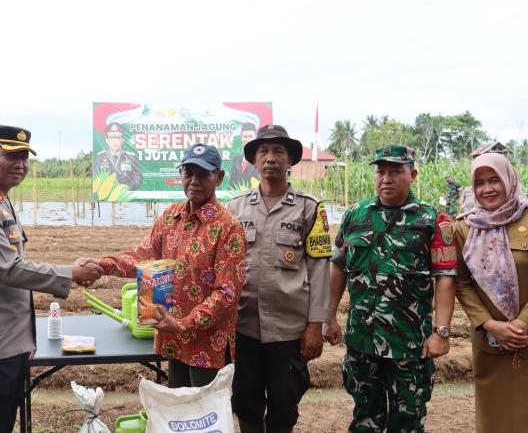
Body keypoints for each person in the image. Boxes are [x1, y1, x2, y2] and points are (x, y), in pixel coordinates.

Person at [0, 125, 103, 433]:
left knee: (2, 423)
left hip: (10, 342)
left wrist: (25, 338)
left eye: (24, 157)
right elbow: (11, 269)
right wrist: (71, 273)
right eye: (11, 155)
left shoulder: (0, 199)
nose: (20, 164)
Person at [324, 144, 457, 432]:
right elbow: (338, 267)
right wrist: (329, 315)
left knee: (407, 421)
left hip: (410, 345)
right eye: (381, 171)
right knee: (364, 418)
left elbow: (445, 277)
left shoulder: (433, 220)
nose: (386, 178)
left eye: (396, 171)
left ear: (413, 174)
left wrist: (442, 333)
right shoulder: (355, 215)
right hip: (362, 340)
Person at [94, 143, 246, 388]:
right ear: (181, 175)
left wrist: (183, 325)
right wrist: (102, 265)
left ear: (218, 178)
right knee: (178, 411)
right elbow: (142, 258)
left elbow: (227, 293)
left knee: (205, 416)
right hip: (174, 340)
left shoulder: (228, 227)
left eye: (203, 174)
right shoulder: (170, 216)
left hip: (208, 345)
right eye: (188, 173)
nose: (194, 180)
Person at [227, 124, 332, 433]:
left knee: (284, 408)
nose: (270, 158)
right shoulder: (235, 208)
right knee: (245, 402)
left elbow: (320, 268)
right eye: (263, 152)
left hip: (288, 330)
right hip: (243, 327)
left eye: (278, 152)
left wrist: (316, 326)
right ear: (254, 161)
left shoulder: (309, 208)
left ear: (290, 161)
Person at [453, 153, 528, 431]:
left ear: (509, 179)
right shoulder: (465, 228)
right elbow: (461, 282)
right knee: (495, 420)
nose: (487, 189)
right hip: (490, 344)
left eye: (494, 180)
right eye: (480, 183)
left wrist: (521, 325)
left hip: (525, 335)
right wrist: (490, 324)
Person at [93, 122, 143, 190]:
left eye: (117, 138)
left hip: (124, 196)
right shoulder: (100, 157)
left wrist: (128, 187)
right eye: (111, 138)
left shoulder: (131, 157)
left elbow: (138, 178)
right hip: (105, 195)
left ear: (122, 140)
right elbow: (94, 177)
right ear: (107, 141)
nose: (115, 142)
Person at [228, 122, 259, 187]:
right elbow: (231, 184)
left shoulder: (261, 159)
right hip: (238, 196)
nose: (247, 139)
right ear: (241, 138)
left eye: (250, 136)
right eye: (244, 136)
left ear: (256, 137)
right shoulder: (237, 158)